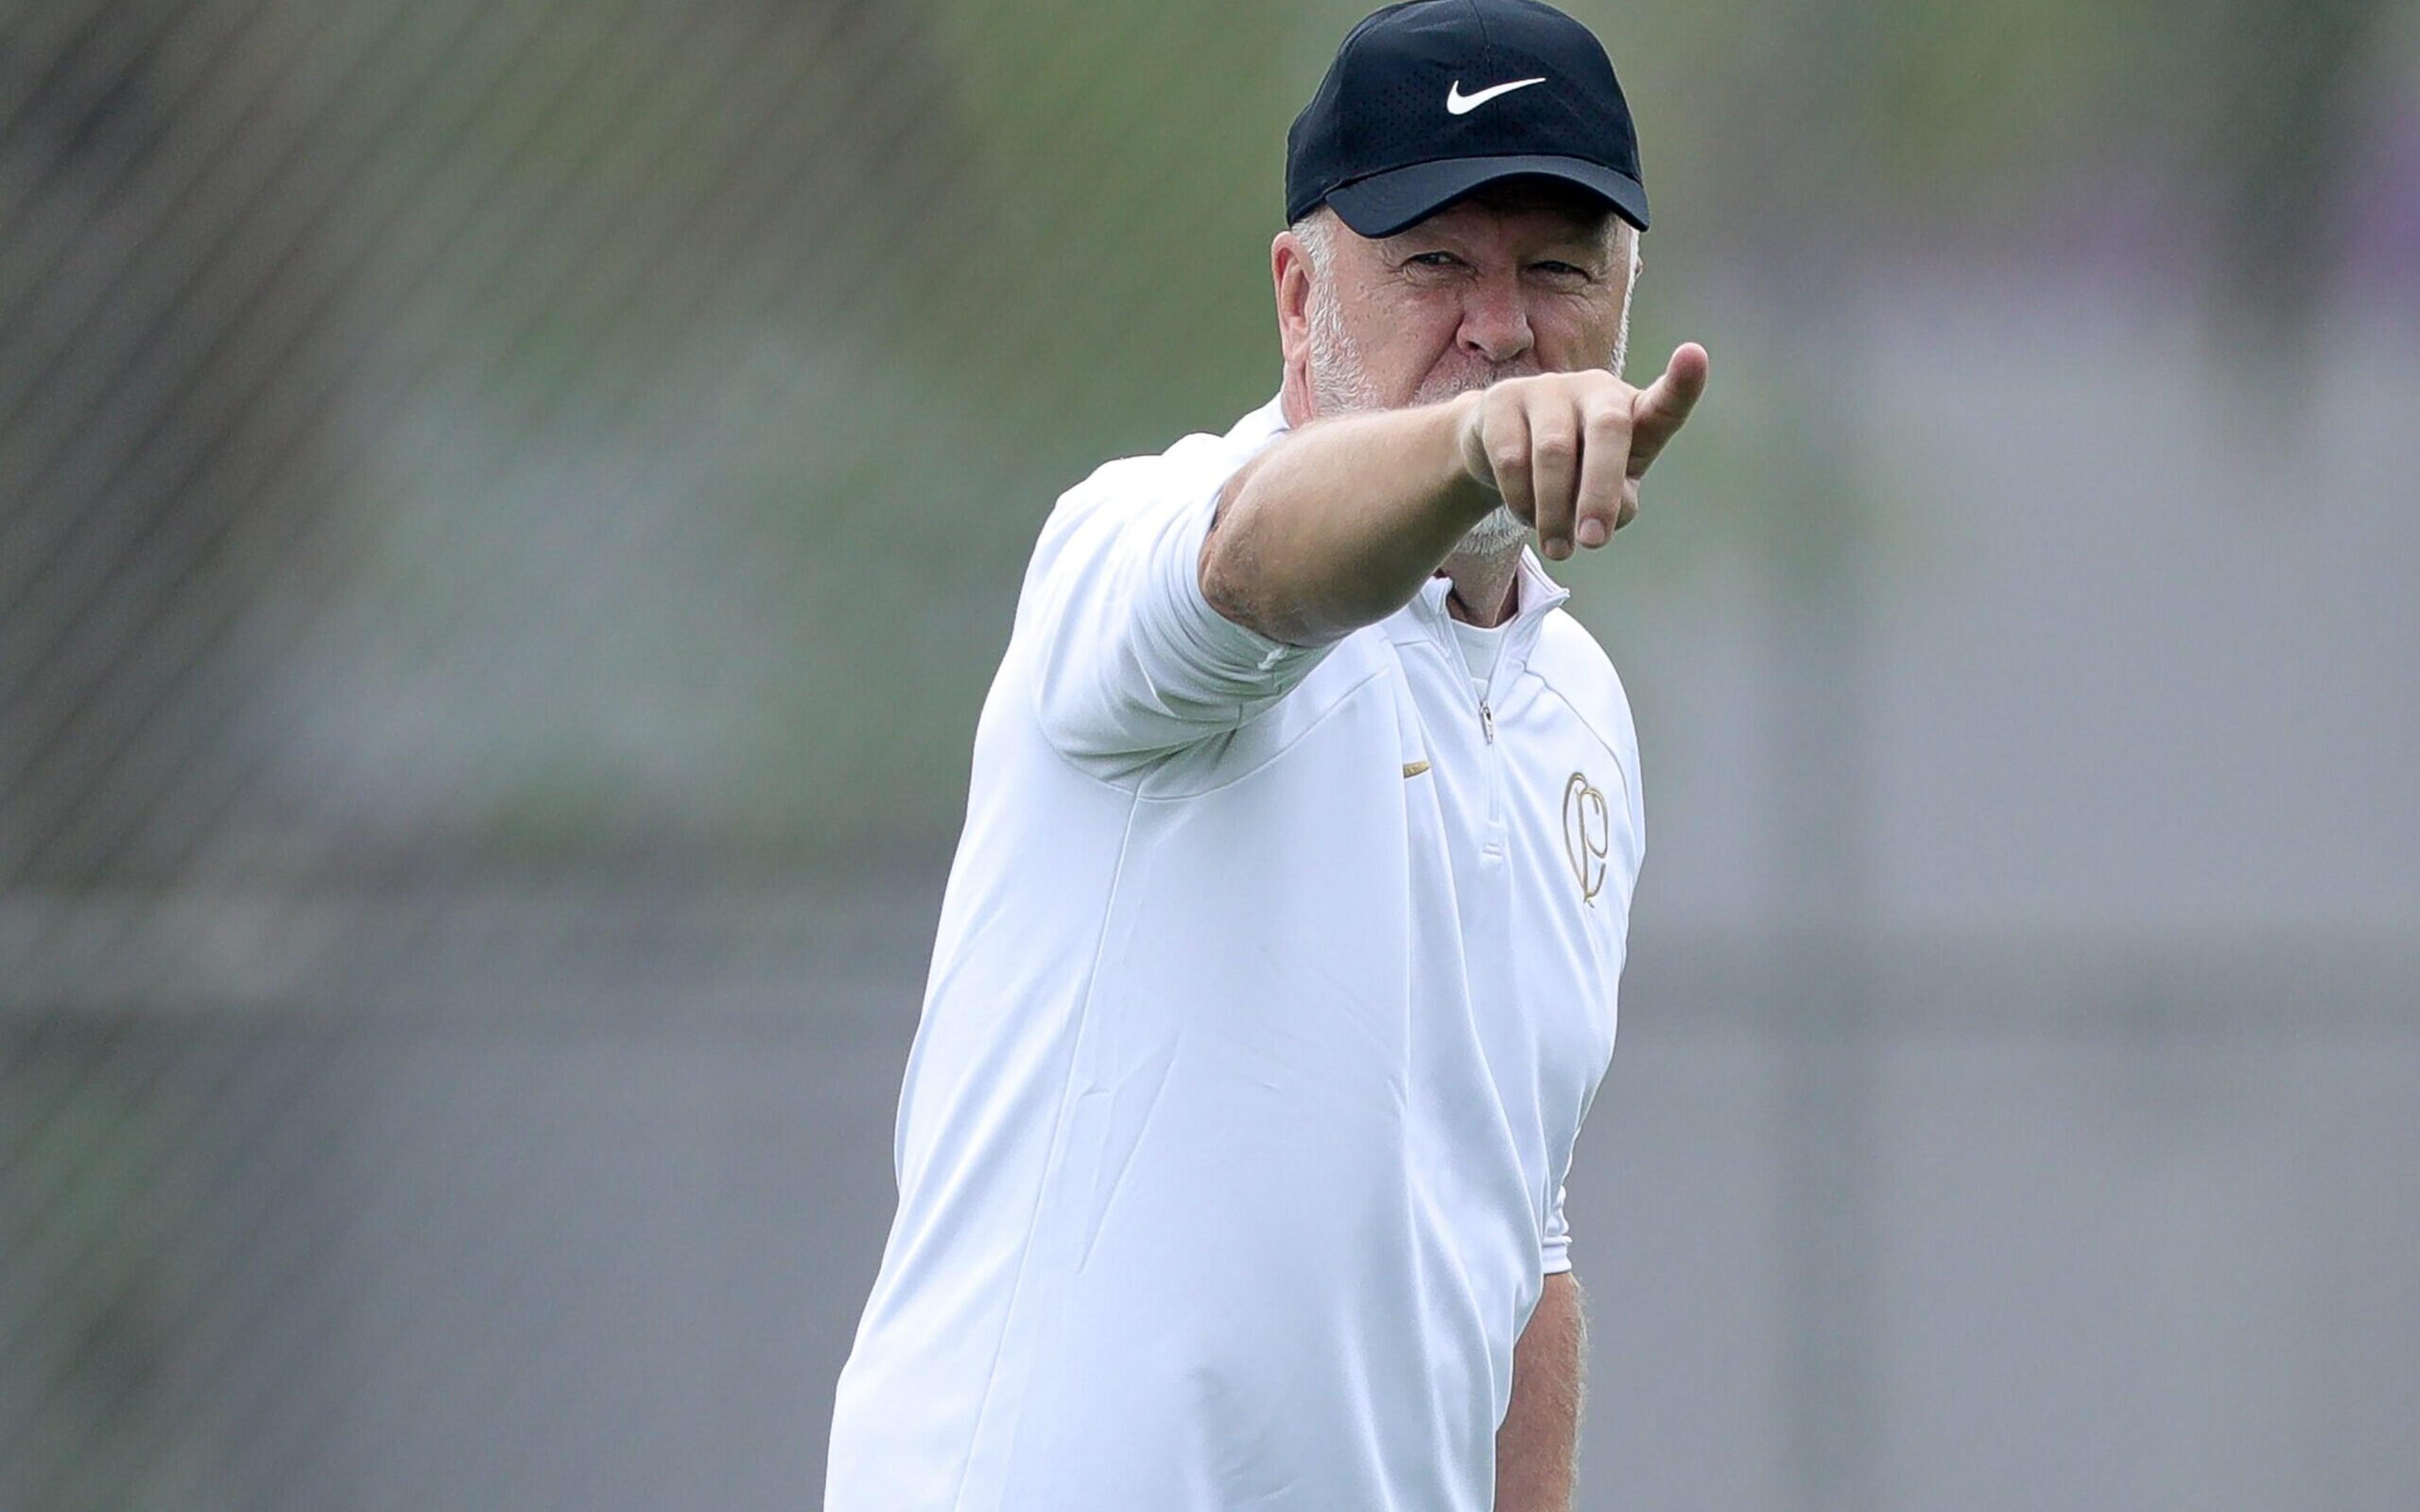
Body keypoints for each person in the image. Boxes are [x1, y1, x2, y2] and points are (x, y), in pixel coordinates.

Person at [825, 3, 1707, 1508]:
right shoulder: (1140, 544)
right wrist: (1465, 452)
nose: (1501, 324)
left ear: (1626, 301)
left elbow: (1518, 1243)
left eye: (1557, 266)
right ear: (1301, 296)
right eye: (1434, 259)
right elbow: (1250, 566)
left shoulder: (1582, 716)